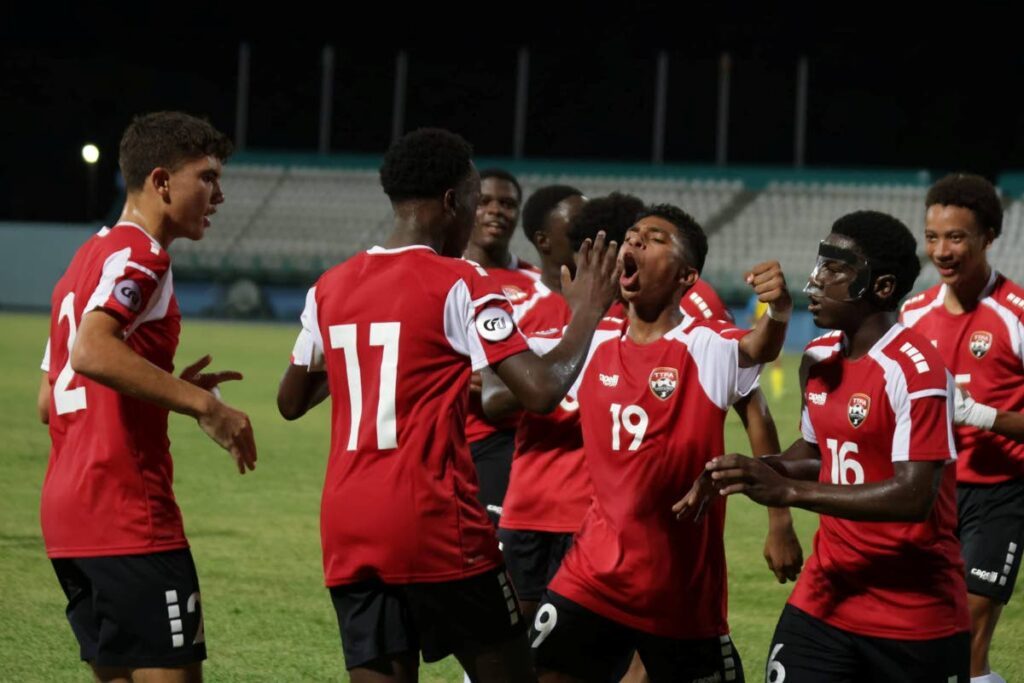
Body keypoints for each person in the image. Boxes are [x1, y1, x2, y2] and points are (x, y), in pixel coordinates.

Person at [276, 128, 621, 682]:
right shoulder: (461, 280)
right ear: (451, 201)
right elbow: (539, 389)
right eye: (474, 198)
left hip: (347, 523)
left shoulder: (330, 286)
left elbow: (290, 400)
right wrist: (587, 310)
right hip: (433, 520)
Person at [696, 210, 970, 681]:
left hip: (915, 612)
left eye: (837, 270)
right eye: (821, 265)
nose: (817, 280)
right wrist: (751, 469)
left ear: (880, 288)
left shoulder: (917, 370)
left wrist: (790, 494)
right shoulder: (818, 357)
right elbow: (818, 453)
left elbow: (914, 496)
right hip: (827, 594)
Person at [527, 203, 791, 682]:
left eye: (655, 238)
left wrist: (779, 309)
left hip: (681, 592)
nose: (636, 242)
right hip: (593, 575)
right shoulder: (593, 339)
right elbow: (522, 378)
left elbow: (760, 347)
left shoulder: (705, 346)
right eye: (632, 235)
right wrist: (578, 312)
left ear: (686, 277)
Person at [38, 111, 257, 683]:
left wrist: (168, 387)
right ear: (161, 182)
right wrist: (205, 406)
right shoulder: (144, 256)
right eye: (206, 178)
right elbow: (91, 352)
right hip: (127, 512)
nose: (219, 194)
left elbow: (49, 399)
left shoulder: (83, 264)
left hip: (68, 519)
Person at [900, 173, 1024, 683]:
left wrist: (981, 415)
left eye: (956, 237)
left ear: (988, 237)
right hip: (929, 492)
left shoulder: (1016, 315)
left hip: (1000, 496)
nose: (942, 250)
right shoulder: (911, 315)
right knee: (921, 639)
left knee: (968, 641)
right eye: (932, 237)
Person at [485, 184, 590, 625]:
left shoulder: (620, 307)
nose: (591, 235)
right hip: (529, 499)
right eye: (580, 226)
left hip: (593, 507)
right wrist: (542, 387)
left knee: (585, 639)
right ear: (544, 240)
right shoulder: (517, 308)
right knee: (510, 636)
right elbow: (491, 398)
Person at [462, 168, 540, 524]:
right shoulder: (441, 273)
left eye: (507, 204)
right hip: (438, 437)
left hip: (506, 442)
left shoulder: (540, 285)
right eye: (484, 202)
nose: (496, 211)